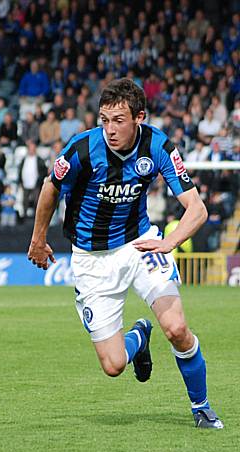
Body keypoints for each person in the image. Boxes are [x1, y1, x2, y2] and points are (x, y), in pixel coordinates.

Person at [27, 78, 223, 429]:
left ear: (139, 118)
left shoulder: (158, 145)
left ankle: (202, 407)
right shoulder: (82, 149)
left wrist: (169, 241)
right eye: (104, 120)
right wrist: (38, 240)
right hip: (91, 260)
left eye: (118, 120)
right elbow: (49, 188)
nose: (110, 129)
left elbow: (196, 208)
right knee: (114, 365)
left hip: (140, 244)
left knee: (177, 328)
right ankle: (138, 336)